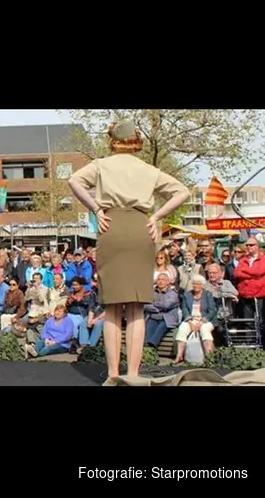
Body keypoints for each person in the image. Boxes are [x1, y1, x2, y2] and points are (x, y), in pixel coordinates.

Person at [68, 120, 189, 378]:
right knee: (136, 308)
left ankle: (113, 374)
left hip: (110, 225)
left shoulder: (101, 165)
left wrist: (96, 209)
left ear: (113, 139)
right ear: (135, 139)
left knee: (112, 308)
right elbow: (182, 191)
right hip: (140, 226)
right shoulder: (148, 169)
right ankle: (133, 374)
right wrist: (156, 217)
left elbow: (74, 181)